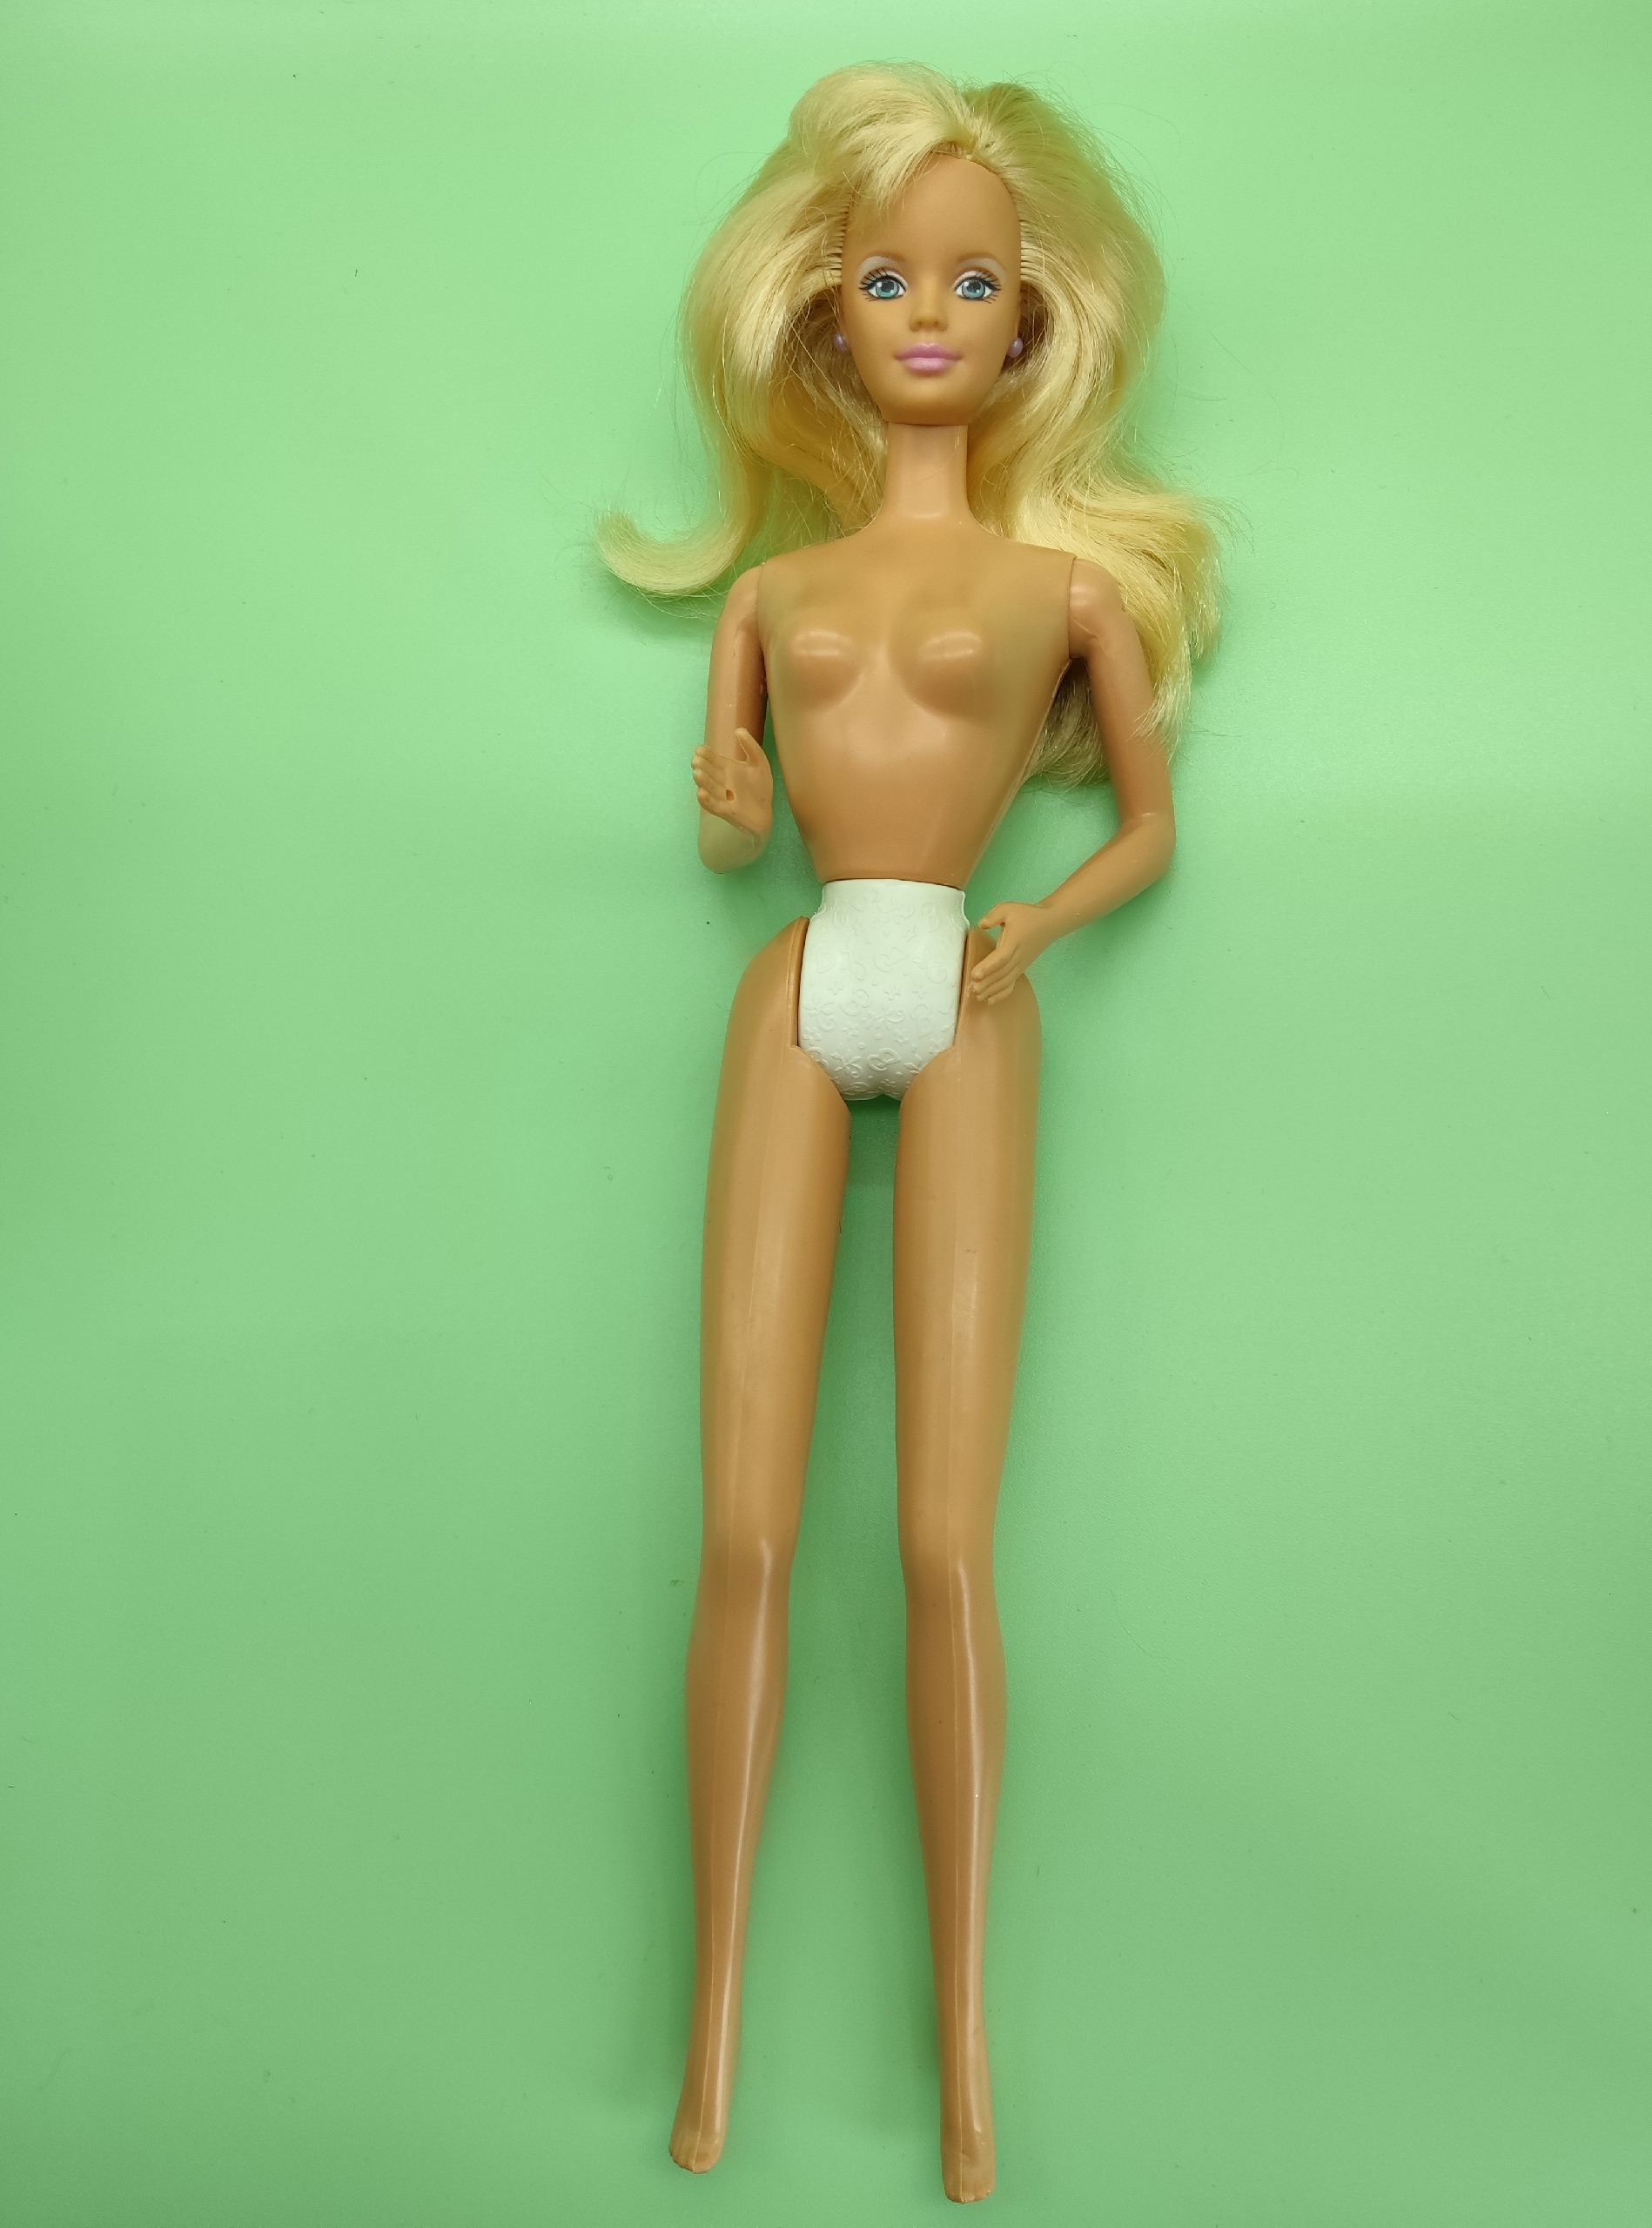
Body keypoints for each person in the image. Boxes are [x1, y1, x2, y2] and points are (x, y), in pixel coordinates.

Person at [601, 61, 1219, 2203]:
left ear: (1032, 314)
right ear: (821, 312)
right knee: (745, 1529)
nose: (929, 315)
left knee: (944, 1541)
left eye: (969, 281)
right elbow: (735, 822)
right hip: (800, 981)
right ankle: (710, 2022)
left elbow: (1150, 824)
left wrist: (1042, 917)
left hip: (963, 983)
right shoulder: (767, 602)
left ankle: (961, 2044)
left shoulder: (1067, 596)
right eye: (886, 278)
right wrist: (735, 809)